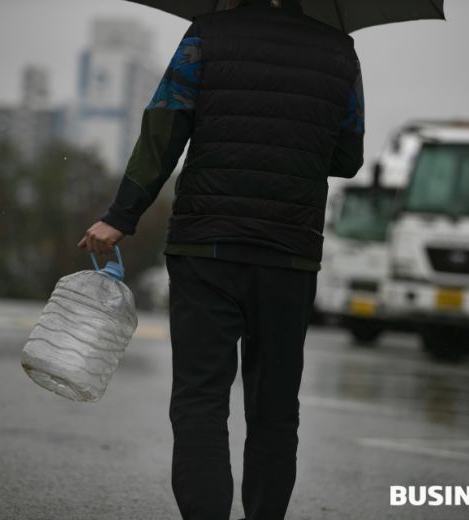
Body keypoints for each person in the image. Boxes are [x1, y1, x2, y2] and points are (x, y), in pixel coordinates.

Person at [78, 0, 363, 518]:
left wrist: (122, 215)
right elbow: (348, 156)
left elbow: (164, 129)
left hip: (206, 246)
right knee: (275, 411)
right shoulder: (340, 52)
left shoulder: (206, 37)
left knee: (200, 400)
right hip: (289, 253)